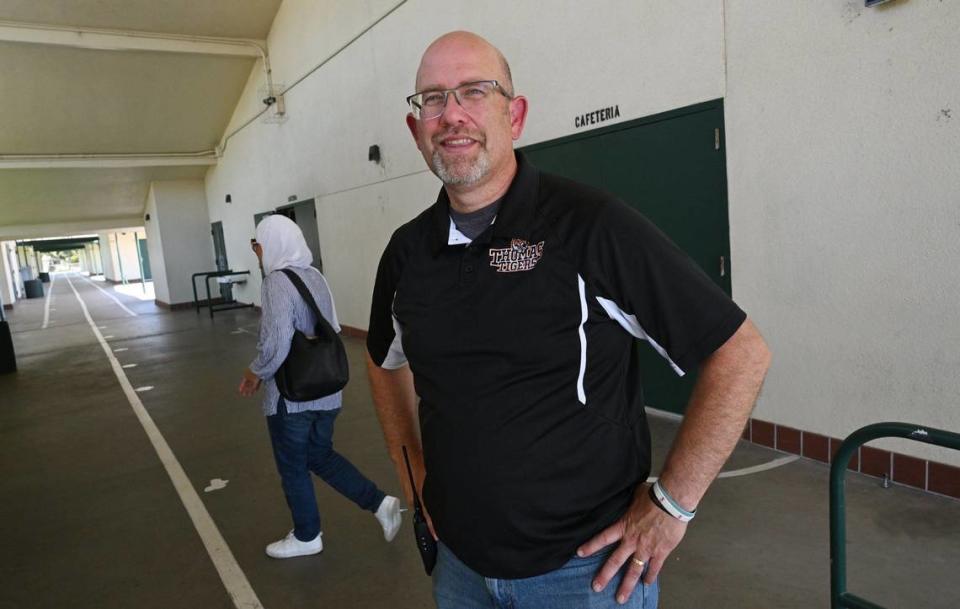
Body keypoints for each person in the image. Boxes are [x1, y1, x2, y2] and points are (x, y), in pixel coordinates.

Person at [366, 31, 771, 608]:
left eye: (474, 92)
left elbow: (740, 352)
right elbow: (384, 360)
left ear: (517, 115)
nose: (452, 114)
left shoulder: (590, 227)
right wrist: (412, 478)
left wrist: (672, 506)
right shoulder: (405, 255)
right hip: (459, 569)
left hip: (585, 577)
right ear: (416, 130)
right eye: (432, 99)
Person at [239, 214, 401, 559]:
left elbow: (277, 342)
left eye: (258, 244)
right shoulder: (315, 277)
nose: (256, 251)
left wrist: (255, 372)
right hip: (327, 391)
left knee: (293, 466)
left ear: (271, 244)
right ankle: (380, 503)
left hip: (292, 396)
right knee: (320, 455)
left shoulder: (276, 282)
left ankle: (307, 535)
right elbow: (331, 330)